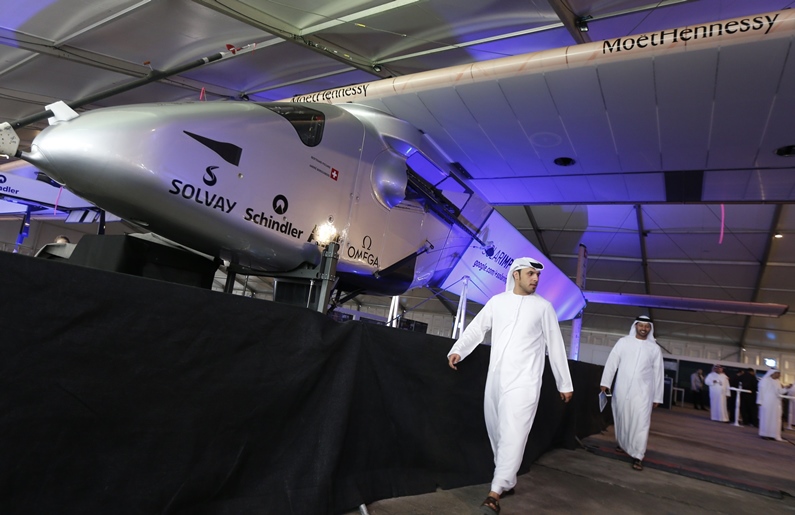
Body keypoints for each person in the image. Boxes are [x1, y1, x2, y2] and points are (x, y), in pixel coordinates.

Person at [447, 257, 573, 515]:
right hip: (496, 380)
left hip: (525, 382)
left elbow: (556, 346)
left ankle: (494, 494)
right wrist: (458, 350)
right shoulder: (498, 302)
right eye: (530, 274)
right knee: (498, 431)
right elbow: (477, 329)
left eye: (537, 275)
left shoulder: (544, 308)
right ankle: (508, 478)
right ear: (516, 275)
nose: (536, 279)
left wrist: (564, 382)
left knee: (514, 432)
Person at [599, 315, 664, 472]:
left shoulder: (654, 348)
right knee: (622, 418)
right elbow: (612, 361)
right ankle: (623, 444)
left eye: (646, 326)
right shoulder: (624, 342)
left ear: (650, 329)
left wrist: (657, 396)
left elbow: (658, 374)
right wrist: (605, 382)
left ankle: (638, 456)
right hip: (622, 389)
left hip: (643, 393)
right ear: (635, 326)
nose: (643, 328)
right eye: (640, 325)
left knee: (641, 422)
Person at [757, 369, 789, 441]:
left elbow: (779, 392)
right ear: (772, 373)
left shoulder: (778, 382)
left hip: (776, 403)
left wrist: (786, 388)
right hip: (766, 402)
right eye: (778, 373)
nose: (779, 375)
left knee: (775, 419)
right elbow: (761, 392)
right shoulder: (765, 381)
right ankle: (764, 433)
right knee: (766, 418)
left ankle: (773, 434)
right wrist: (760, 402)